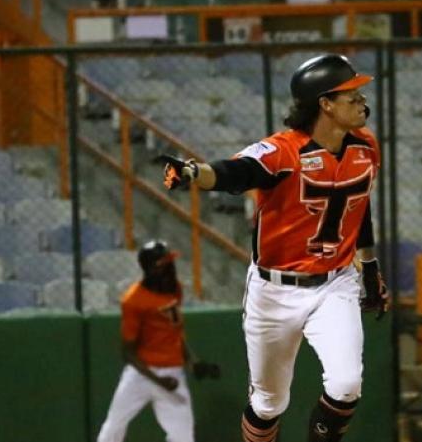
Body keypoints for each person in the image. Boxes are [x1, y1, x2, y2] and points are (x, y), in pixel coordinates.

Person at [159, 53, 390, 442]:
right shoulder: (282, 151)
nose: (361, 101)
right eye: (351, 95)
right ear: (325, 104)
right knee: (268, 403)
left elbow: (357, 204)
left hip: (335, 284)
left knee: (347, 384)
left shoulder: (365, 147)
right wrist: (194, 172)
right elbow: (237, 172)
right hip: (275, 291)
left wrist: (369, 267)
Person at [97, 240, 220, 442]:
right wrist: (158, 380)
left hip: (173, 373)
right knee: (114, 425)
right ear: (151, 269)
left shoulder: (174, 289)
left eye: (170, 263)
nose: (171, 268)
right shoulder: (133, 300)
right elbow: (127, 352)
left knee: (183, 437)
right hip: (141, 374)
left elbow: (175, 333)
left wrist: (193, 362)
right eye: (165, 264)